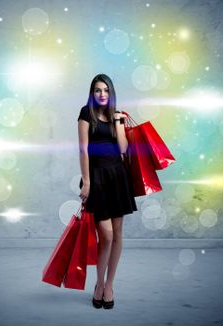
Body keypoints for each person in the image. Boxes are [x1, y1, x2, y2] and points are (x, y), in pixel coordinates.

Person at [77, 73, 137, 309]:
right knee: (107, 236)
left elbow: (122, 148)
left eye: (105, 90)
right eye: (97, 90)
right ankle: (98, 284)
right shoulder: (86, 114)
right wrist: (86, 181)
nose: (102, 94)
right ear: (92, 93)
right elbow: (83, 151)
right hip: (98, 179)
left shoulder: (115, 115)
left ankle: (109, 286)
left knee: (118, 235)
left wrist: (119, 121)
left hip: (118, 178)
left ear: (110, 93)